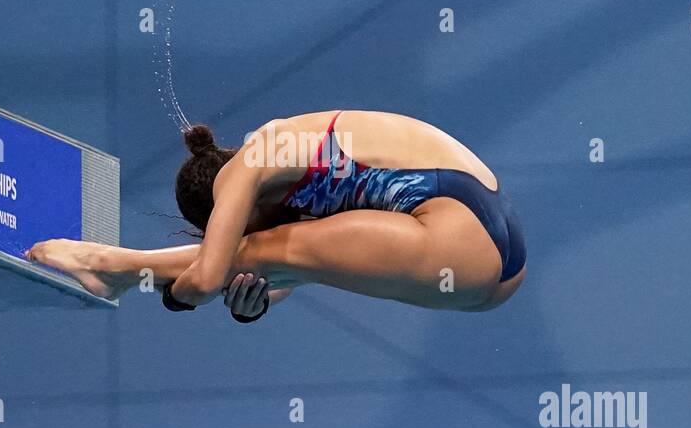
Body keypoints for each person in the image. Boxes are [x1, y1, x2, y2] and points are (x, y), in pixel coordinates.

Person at [26, 109, 526, 319]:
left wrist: (176, 296)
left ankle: (110, 267)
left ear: (228, 210)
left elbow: (205, 281)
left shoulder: (245, 169)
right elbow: (290, 271)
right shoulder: (294, 170)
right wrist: (254, 304)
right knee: (267, 255)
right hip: (495, 236)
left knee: (257, 254)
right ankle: (114, 266)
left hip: (460, 241)